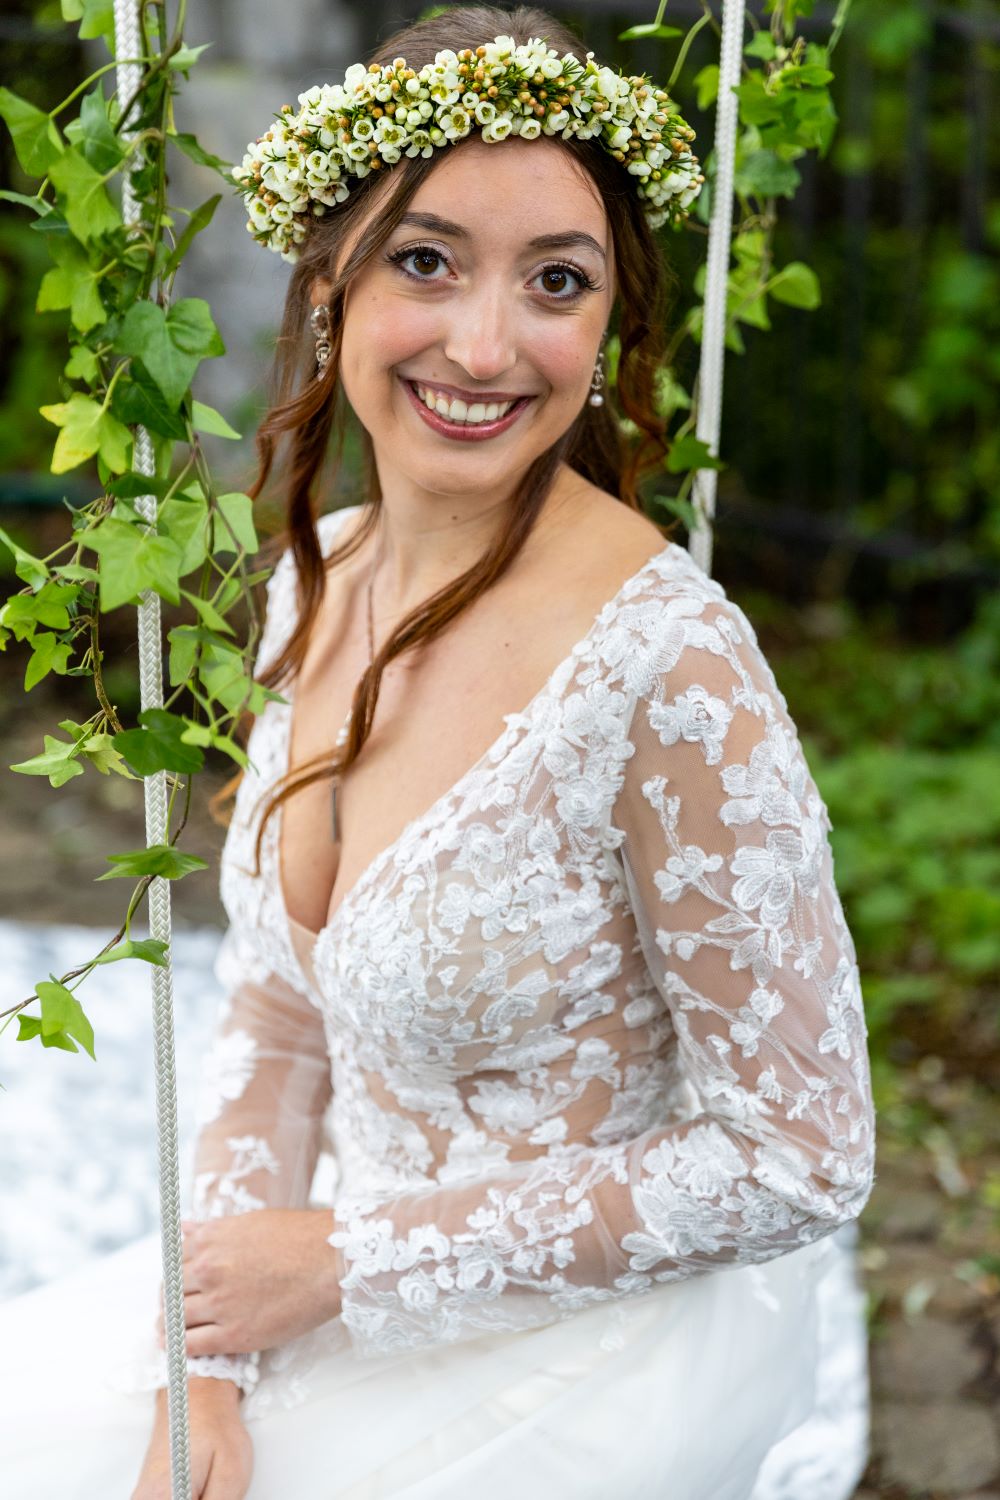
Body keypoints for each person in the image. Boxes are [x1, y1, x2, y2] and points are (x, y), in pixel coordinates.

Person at [1, 7, 877, 1497]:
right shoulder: (317, 577)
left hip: (599, 1338)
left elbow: (802, 1155)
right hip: (318, 1280)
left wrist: (343, 1259)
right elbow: (275, 1028)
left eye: (556, 281)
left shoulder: (669, 670)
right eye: (426, 261)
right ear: (330, 281)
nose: (486, 345)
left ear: (610, 326)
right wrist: (200, 1370)